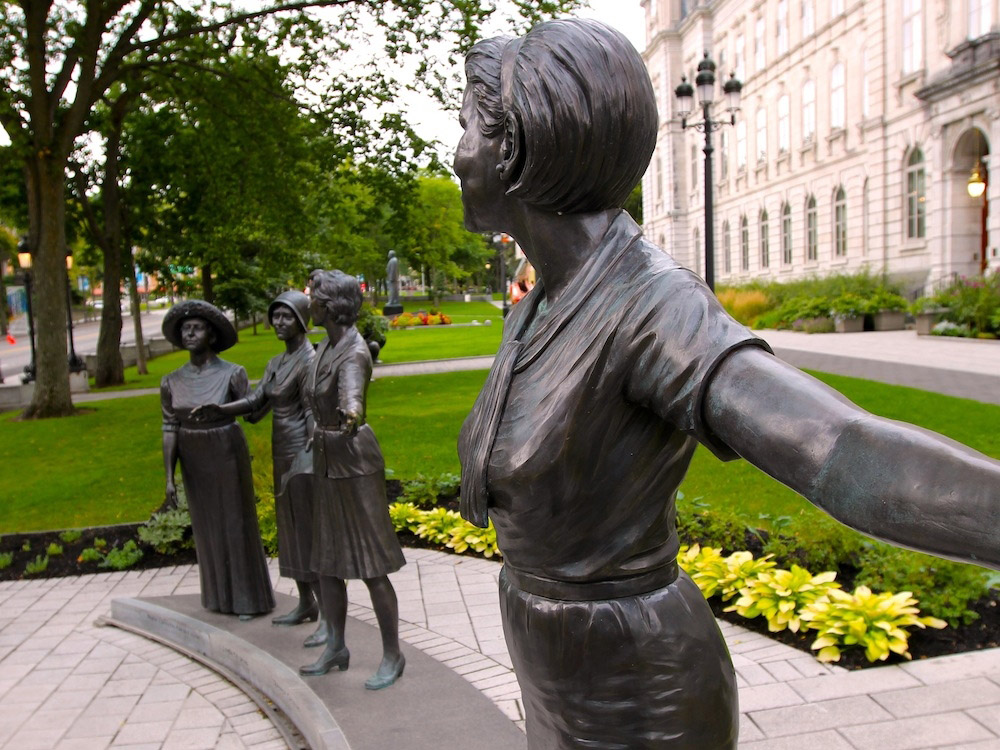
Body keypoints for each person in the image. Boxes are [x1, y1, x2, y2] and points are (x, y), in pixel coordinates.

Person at [454, 19, 1000, 749]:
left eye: (466, 129)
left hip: (637, 686)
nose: (456, 155)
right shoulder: (544, 302)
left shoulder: (650, 305)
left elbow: (837, 448)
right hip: (554, 663)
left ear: (512, 146)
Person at [191, 291, 322, 639]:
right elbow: (255, 400)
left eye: (287, 316)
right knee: (289, 527)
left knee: (307, 528)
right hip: (281, 450)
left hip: (301, 450)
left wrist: (314, 446)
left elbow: (311, 409)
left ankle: (328, 618)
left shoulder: (309, 360)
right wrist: (222, 409)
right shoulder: (276, 363)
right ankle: (306, 602)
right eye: (275, 316)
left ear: (302, 319)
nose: (279, 323)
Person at [300, 269, 406, 690]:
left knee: (371, 565)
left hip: (354, 463)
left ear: (328, 304)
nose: (309, 303)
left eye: (313, 297)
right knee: (326, 562)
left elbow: (352, 396)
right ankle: (337, 646)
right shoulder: (325, 346)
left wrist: (350, 414)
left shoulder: (353, 352)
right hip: (327, 460)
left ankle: (393, 654)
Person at [160, 300, 275, 619]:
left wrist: (274, 394)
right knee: (207, 526)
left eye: (196, 328)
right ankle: (217, 596)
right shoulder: (170, 380)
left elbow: (251, 411)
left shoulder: (233, 373)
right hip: (192, 455)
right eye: (185, 329)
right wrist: (169, 476)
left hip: (225, 449)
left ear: (211, 335)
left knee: (235, 523)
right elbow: (170, 426)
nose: (189, 333)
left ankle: (246, 599)